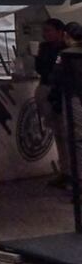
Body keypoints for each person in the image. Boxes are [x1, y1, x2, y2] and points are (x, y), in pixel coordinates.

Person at [36, 19, 68, 187]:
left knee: (67, 133)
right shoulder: (44, 48)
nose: (45, 34)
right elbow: (41, 69)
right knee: (58, 133)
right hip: (47, 89)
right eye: (44, 31)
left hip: (62, 93)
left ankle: (72, 172)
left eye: (49, 30)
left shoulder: (67, 49)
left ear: (59, 31)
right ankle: (65, 170)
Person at [51, 22, 82, 191]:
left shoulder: (65, 54)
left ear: (65, 35)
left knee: (75, 139)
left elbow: (56, 75)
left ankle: (78, 180)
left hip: (72, 99)